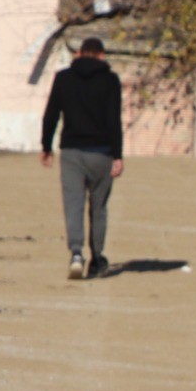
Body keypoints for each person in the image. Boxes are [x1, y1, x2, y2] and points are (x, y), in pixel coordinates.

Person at [40, 37, 124, 281]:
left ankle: (76, 254)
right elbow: (113, 120)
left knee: (73, 204)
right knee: (98, 208)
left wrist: (46, 146)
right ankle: (97, 259)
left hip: (72, 153)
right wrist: (118, 155)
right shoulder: (110, 80)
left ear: (78, 54)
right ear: (101, 55)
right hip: (102, 153)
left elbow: (51, 115)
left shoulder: (64, 78)